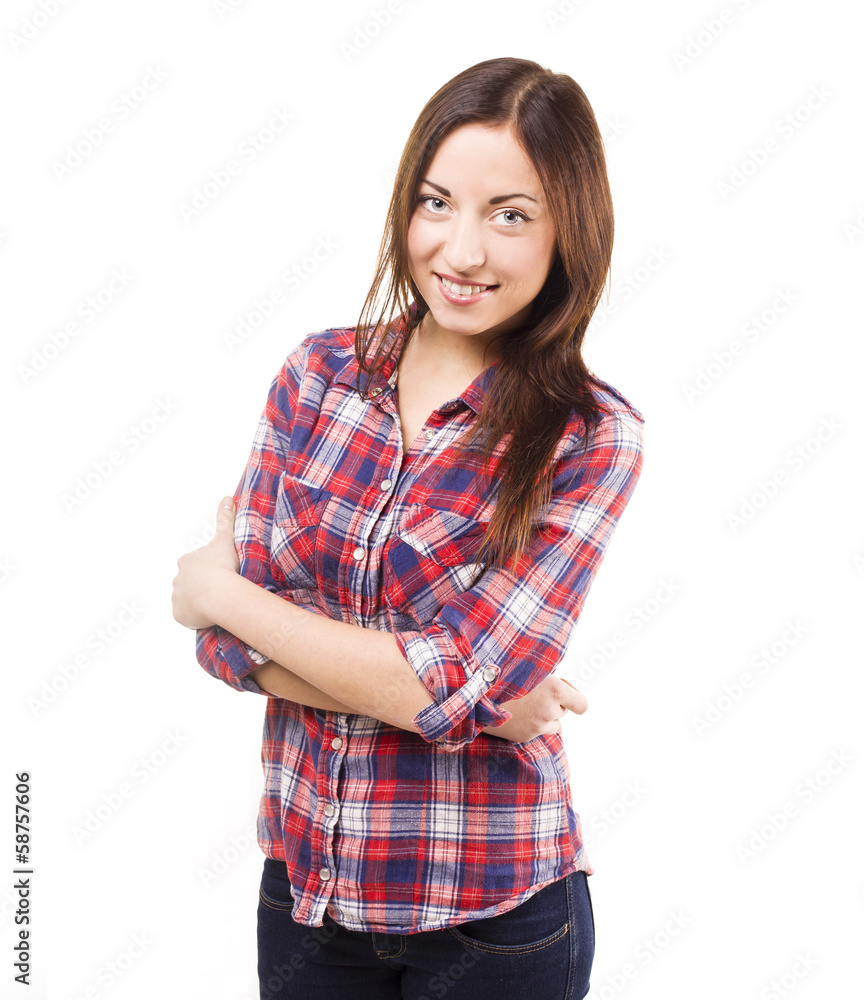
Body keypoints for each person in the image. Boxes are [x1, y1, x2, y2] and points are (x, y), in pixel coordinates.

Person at [171, 56, 645, 1000]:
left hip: (495, 922)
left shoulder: (592, 436)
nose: (461, 252)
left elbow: (439, 681)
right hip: (307, 898)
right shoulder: (319, 375)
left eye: (510, 214)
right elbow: (225, 653)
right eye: (437, 203)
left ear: (568, 232)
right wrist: (465, 703)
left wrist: (219, 592)